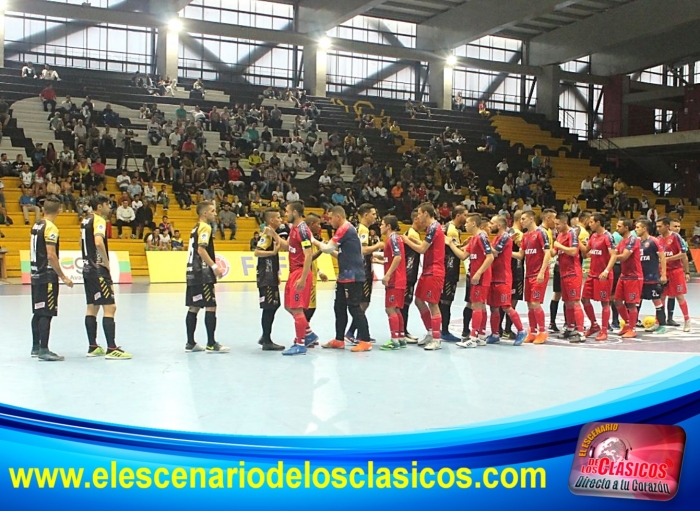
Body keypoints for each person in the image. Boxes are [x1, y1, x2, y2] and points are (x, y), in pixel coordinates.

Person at [264, 201, 319, 356]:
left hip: (300, 272)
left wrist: (302, 278)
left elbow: (308, 255)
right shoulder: (294, 228)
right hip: (293, 271)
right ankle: (309, 334)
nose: (285, 214)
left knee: (296, 308)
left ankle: (300, 344)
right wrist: (274, 234)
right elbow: (288, 246)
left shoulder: (303, 230)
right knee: (289, 306)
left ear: (294, 212)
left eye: (287, 211)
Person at [313, 206, 372, 352]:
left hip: (353, 276)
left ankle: (365, 340)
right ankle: (339, 339)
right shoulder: (347, 231)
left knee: (354, 307)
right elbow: (339, 254)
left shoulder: (344, 229)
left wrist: (313, 240)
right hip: (344, 276)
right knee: (339, 307)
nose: (330, 221)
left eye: (331, 218)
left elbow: (326, 249)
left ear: (338, 217)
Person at [81, 195, 132, 359]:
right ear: (100, 206)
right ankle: (112, 348)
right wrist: (106, 261)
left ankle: (93, 346)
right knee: (110, 307)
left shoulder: (85, 220)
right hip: (98, 269)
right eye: (108, 205)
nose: (110, 208)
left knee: (92, 307)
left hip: (87, 268)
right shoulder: (99, 220)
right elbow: (98, 242)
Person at [30, 196, 75, 361]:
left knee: (37, 311)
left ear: (43, 209)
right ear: (59, 210)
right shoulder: (51, 228)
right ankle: (44, 349)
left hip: (35, 273)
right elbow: (51, 254)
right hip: (47, 275)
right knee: (46, 313)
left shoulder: (37, 224)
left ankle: (35, 346)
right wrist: (62, 276)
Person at [184, 201, 230, 353]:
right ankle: (211, 343)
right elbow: (201, 249)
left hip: (192, 272)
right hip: (203, 273)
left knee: (194, 306)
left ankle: (190, 343)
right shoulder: (205, 227)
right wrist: (215, 267)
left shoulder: (195, 227)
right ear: (204, 213)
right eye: (212, 211)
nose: (215, 214)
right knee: (211, 306)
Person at [401, 203, 446, 351]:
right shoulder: (431, 229)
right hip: (427, 270)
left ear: (426, 213)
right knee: (419, 300)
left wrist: (406, 240)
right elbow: (425, 245)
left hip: (435, 270)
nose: (418, 216)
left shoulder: (433, 227)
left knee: (433, 304)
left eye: (419, 213)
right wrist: (414, 241)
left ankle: (437, 339)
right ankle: (431, 332)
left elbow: (422, 249)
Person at [448, 214, 495, 348]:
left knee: (476, 305)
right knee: (479, 305)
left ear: (474, 223)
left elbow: (490, 257)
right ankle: (480, 336)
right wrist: (451, 244)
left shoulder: (482, 237)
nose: (465, 225)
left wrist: (479, 273)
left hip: (480, 277)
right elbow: (463, 256)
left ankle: (473, 338)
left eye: (467, 222)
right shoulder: (474, 239)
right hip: (475, 276)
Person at [344, 204, 383, 345]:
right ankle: (352, 332)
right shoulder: (363, 229)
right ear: (366, 214)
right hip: (363, 272)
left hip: (366, 269)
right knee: (363, 303)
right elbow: (362, 250)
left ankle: (360, 333)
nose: (375, 216)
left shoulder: (363, 229)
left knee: (364, 302)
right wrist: (378, 246)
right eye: (373, 214)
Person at [486, 215, 527, 345]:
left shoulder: (504, 237)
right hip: (494, 277)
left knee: (506, 306)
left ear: (499, 225)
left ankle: (521, 331)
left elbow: (495, 252)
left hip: (503, 278)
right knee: (493, 307)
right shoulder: (496, 238)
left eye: (492, 223)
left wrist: (482, 241)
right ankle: (495, 333)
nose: (490, 225)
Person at [514, 210, 551, 344]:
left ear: (531, 219)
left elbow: (547, 253)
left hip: (538, 274)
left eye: (523, 219)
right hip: (528, 274)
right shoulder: (525, 236)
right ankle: (533, 331)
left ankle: (542, 331)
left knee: (535, 303)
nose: (521, 221)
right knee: (530, 304)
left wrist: (542, 271)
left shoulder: (541, 233)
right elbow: (520, 255)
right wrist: (505, 252)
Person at [373, 215, 407, 350]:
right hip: (399, 279)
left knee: (390, 308)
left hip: (395, 279)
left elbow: (398, 257)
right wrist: (379, 260)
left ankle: (394, 340)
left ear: (388, 226)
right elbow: (392, 258)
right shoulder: (395, 238)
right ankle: (400, 338)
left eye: (382, 224)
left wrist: (387, 275)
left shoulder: (392, 238)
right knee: (396, 308)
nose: (380, 226)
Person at [581, 213, 617, 341]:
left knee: (605, 302)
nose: (589, 224)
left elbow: (613, 255)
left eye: (591, 221)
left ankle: (604, 330)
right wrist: (577, 240)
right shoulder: (593, 236)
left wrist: (606, 271)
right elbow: (586, 252)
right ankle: (594, 325)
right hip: (592, 274)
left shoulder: (608, 237)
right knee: (584, 299)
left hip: (603, 276)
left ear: (598, 222)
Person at [254, 209, 285, 351]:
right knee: (269, 306)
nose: (281, 220)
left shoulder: (272, 234)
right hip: (265, 277)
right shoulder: (267, 234)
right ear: (271, 220)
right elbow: (257, 252)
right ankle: (266, 339)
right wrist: (272, 252)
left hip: (271, 276)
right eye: (278, 217)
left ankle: (265, 336)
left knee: (275, 304)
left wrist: (276, 273)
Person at [551, 213, 585, 343]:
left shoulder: (572, 233)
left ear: (565, 222)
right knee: (567, 302)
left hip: (573, 273)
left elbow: (574, 251)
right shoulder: (559, 235)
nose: (556, 226)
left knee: (575, 301)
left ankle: (580, 332)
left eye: (558, 224)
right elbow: (554, 251)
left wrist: (560, 246)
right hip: (563, 273)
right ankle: (570, 328)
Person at [657, 217, 691, 331]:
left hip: (676, 271)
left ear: (667, 226)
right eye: (657, 226)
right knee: (661, 296)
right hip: (662, 271)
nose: (658, 229)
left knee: (679, 296)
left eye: (660, 226)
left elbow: (683, 254)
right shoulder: (657, 239)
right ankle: (659, 321)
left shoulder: (676, 237)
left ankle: (687, 320)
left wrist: (668, 259)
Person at [439, 206, 467, 342]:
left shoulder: (449, 227)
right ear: (458, 215)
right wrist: (465, 249)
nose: (466, 218)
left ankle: (440, 329)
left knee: (443, 300)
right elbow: (455, 252)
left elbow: (452, 247)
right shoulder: (452, 230)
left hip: (446, 268)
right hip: (449, 270)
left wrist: (463, 245)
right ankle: (444, 331)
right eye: (465, 215)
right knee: (446, 301)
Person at [636, 218, 667, 334]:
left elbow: (662, 257)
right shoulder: (637, 242)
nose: (636, 229)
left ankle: (661, 325)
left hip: (652, 278)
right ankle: (633, 323)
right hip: (640, 278)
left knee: (657, 301)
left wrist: (663, 274)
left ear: (645, 229)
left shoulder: (653, 241)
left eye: (638, 227)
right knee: (636, 301)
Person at [614, 218, 643, 339]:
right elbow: (614, 253)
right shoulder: (621, 242)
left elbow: (624, 257)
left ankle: (633, 328)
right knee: (617, 301)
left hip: (634, 276)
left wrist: (610, 258)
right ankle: (627, 324)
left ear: (626, 228)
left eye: (619, 226)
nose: (617, 228)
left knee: (631, 304)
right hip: (624, 275)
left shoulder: (633, 240)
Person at [304, 213, 329, 324]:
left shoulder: (312, 238)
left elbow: (312, 260)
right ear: (312, 224)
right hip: (307, 279)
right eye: (318, 224)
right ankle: (304, 333)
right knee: (309, 308)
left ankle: (304, 333)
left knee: (308, 308)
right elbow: (308, 258)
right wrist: (321, 250)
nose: (320, 227)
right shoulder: (307, 239)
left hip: (312, 277)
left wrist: (319, 272)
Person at [401, 210, 422, 343]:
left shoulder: (414, 233)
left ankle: (404, 330)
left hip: (411, 272)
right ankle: (402, 331)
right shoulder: (411, 233)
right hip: (407, 272)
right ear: (415, 219)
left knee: (406, 303)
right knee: (404, 303)